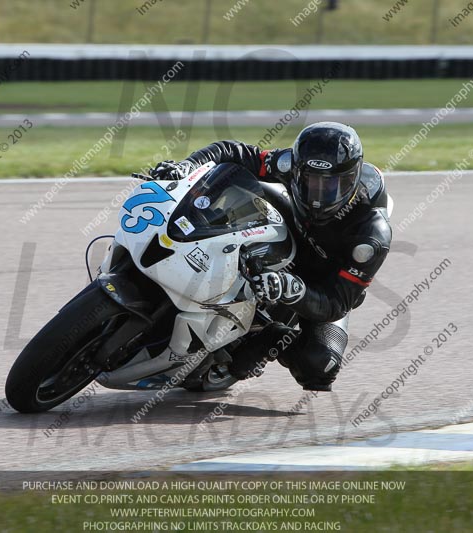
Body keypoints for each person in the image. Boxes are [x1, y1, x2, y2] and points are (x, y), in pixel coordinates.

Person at [149, 122, 392, 391]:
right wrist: (187, 167)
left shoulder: (371, 234)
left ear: (352, 179)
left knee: (320, 365)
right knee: (235, 181)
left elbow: (337, 303)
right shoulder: (288, 163)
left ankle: (268, 339)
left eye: (332, 185)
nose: (319, 195)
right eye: (310, 181)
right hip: (292, 231)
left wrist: (295, 290)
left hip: (323, 283)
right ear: (298, 170)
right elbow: (233, 152)